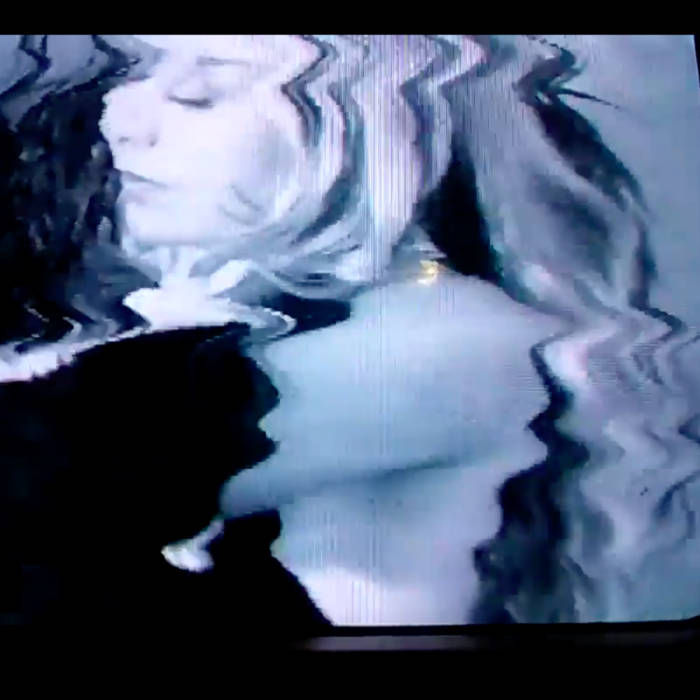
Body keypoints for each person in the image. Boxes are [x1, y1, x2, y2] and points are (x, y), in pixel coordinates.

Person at [1, 34, 697, 626]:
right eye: (136, 76)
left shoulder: (455, 342)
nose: (121, 119)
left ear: (364, 139)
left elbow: (71, 474)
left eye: (200, 96)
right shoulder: (276, 324)